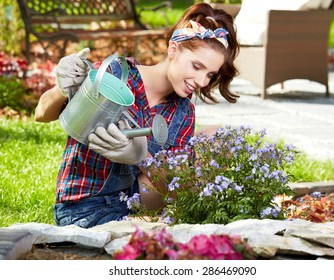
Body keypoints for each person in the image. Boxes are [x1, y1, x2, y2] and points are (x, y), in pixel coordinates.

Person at [34, 2, 240, 228]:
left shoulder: (183, 111)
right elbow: (41, 113)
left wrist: (143, 159)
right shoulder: (117, 75)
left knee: (221, 139)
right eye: (196, 66)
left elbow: (169, 186)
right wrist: (63, 88)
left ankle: (158, 222)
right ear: (173, 49)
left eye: (210, 74)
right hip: (83, 207)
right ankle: (154, 226)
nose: (202, 82)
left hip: (133, 202)